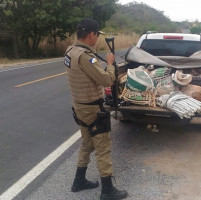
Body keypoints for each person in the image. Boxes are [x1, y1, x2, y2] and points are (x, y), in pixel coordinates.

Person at [64, 18, 128, 200]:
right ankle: (107, 191)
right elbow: (106, 80)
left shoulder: (70, 51)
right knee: (103, 147)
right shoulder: (85, 56)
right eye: (96, 36)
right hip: (92, 108)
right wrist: (109, 63)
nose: (97, 39)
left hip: (80, 107)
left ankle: (79, 181)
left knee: (87, 143)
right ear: (91, 34)